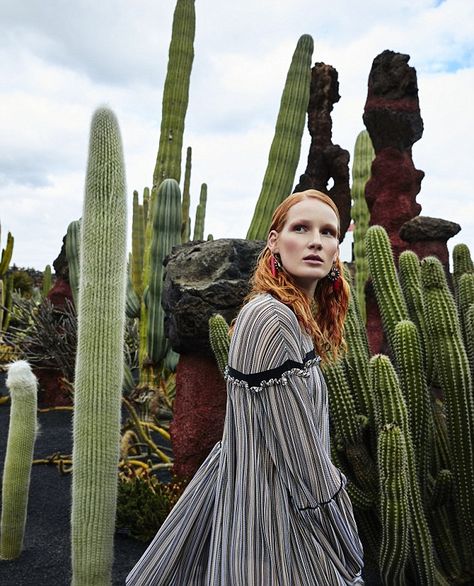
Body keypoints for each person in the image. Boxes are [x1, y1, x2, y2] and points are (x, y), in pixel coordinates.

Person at [126, 189, 364, 585]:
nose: (316, 241)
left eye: (328, 232)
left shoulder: (288, 316)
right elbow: (301, 457)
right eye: (300, 228)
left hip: (270, 509)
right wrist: (341, 534)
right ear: (274, 240)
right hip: (275, 526)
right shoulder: (270, 319)